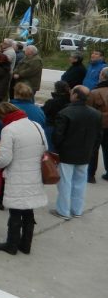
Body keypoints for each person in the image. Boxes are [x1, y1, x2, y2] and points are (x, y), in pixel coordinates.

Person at [0, 103, 48, 255]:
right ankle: (25, 245)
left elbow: (4, 159)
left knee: (15, 212)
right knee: (28, 211)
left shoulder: (9, 130)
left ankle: (11, 245)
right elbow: (45, 148)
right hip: (34, 173)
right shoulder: (36, 125)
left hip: (17, 175)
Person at [50, 85, 102, 219]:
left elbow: (58, 136)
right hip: (85, 154)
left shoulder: (65, 112)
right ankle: (77, 210)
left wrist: (57, 149)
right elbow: (98, 135)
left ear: (75, 96)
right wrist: (92, 149)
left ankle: (63, 210)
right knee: (80, 183)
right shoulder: (96, 114)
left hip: (67, 153)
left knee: (65, 183)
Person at [86, 67, 108, 182]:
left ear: (102, 76)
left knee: (93, 150)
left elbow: (88, 110)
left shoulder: (94, 92)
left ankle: (90, 175)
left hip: (98, 124)